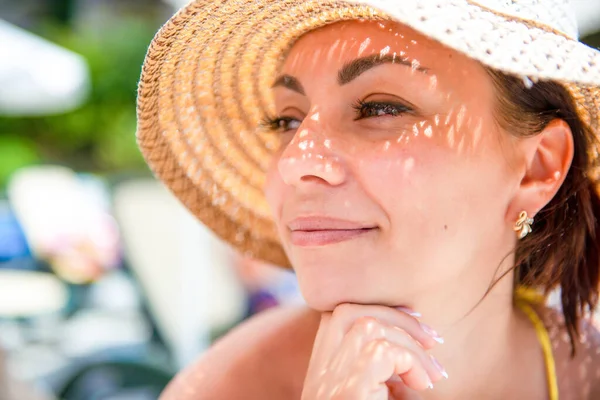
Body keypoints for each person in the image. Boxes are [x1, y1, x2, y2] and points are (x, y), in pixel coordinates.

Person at [136, 0, 600, 398]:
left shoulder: (589, 378)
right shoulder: (229, 387)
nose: (297, 161)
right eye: (288, 121)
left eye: (380, 108)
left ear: (537, 168)